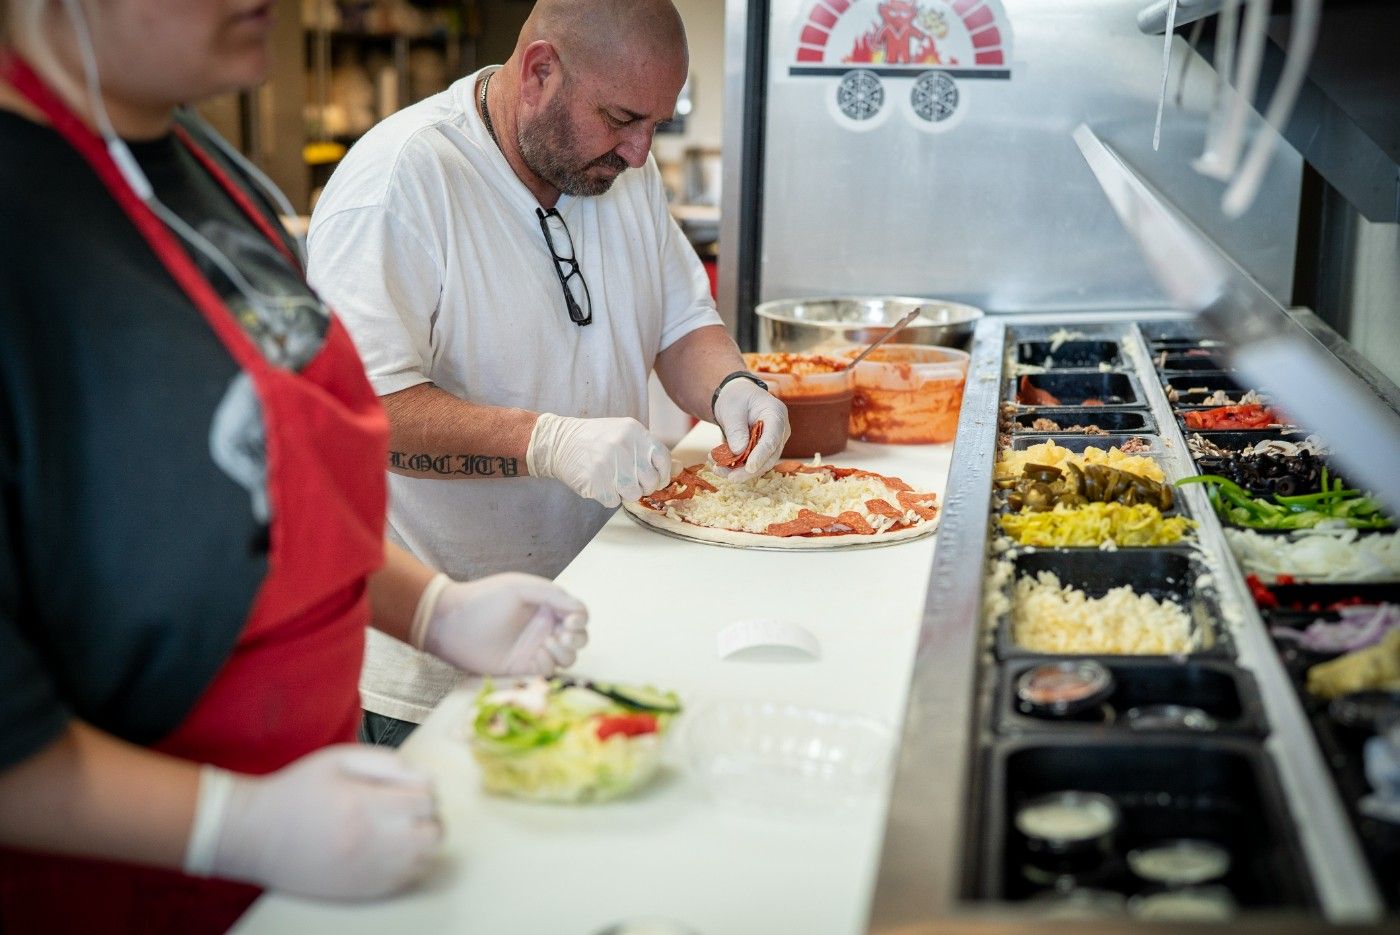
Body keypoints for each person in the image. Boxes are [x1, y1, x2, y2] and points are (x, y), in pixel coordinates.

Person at [0, 1, 589, 931]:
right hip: (127, 891)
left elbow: (273, 495)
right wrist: (237, 824)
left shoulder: (207, 174)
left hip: (319, 847)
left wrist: (434, 608)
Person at [307, 0, 791, 745]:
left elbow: (682, 325)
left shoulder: (620, 175)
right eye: (621, 118)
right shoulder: (404, 183)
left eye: (655, 124)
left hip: (598, 623)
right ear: (539, 72)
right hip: (435, 673)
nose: (640, 152)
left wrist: (733, 387)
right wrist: (546, 442)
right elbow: (357, 417)